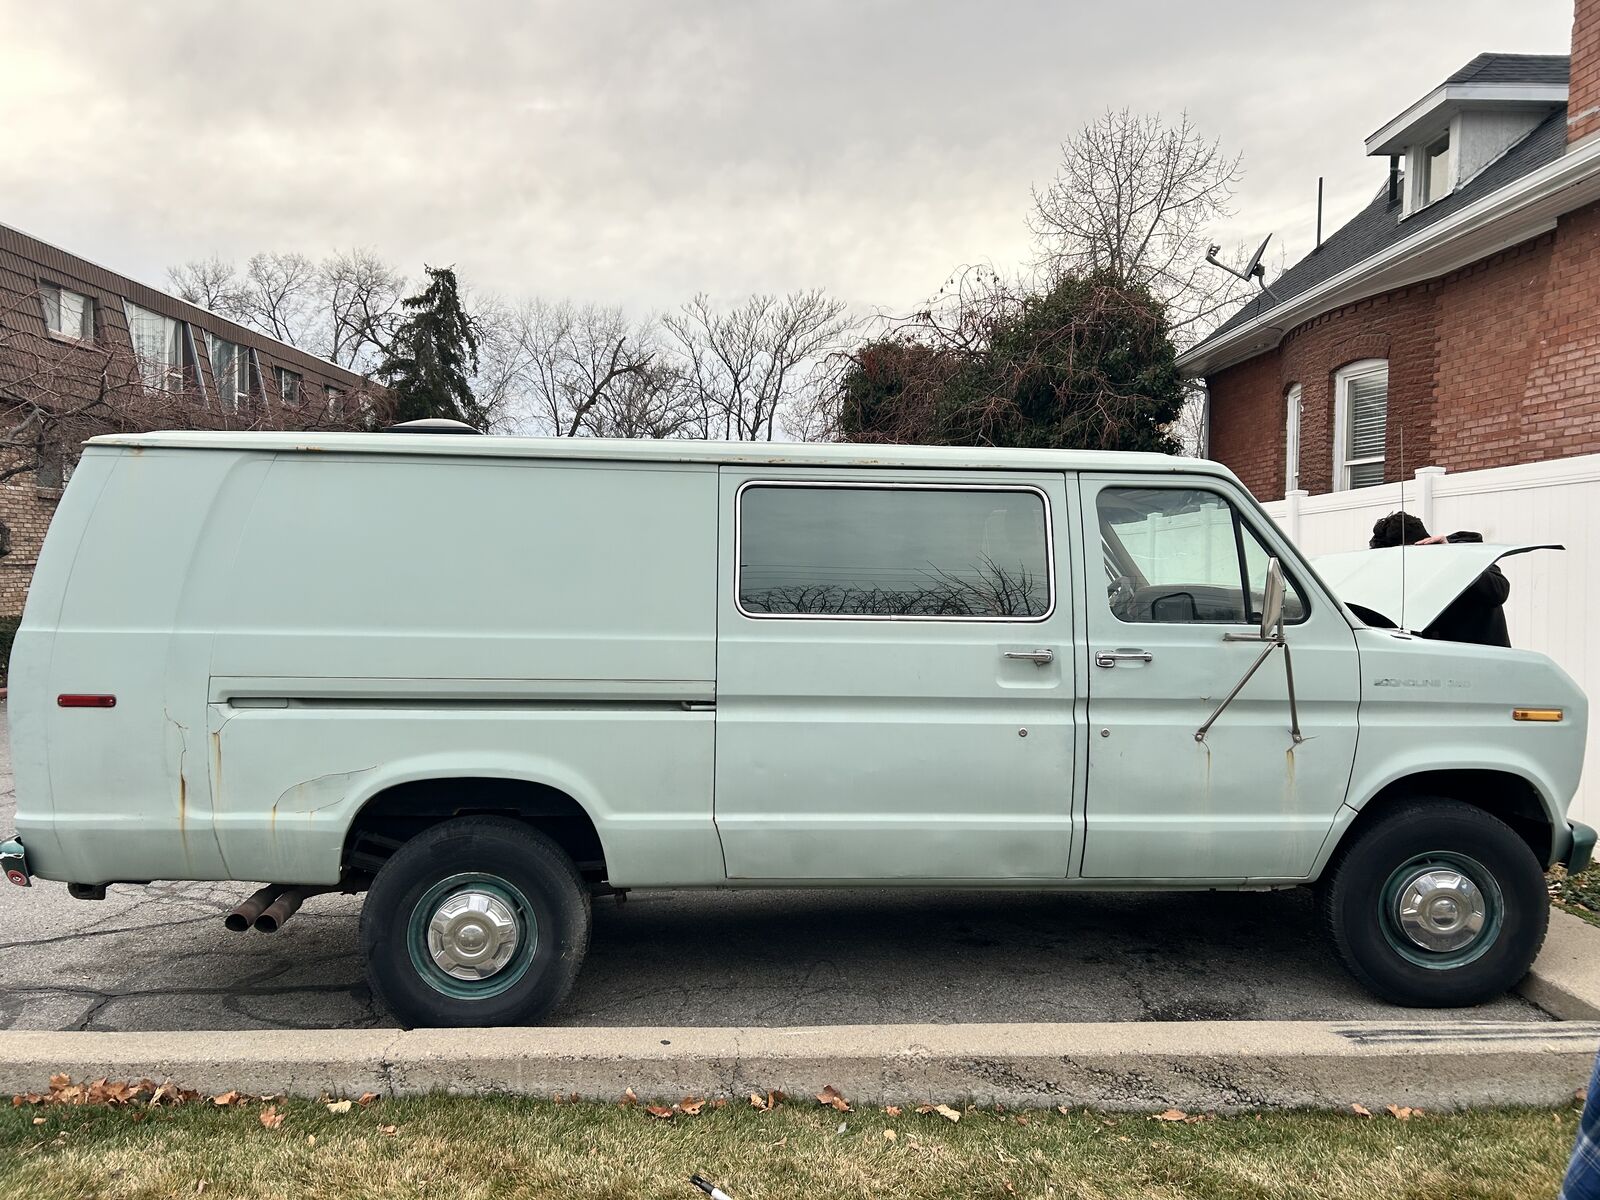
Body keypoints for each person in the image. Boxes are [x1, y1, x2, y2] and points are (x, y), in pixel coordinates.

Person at [1368, 511, 1511, 648]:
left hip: (1488, 666)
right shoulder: (1416, 575)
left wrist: (1452, 557)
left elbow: (1499, 591)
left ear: (1420, 546)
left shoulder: (1467, 554)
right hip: (1442, 664)